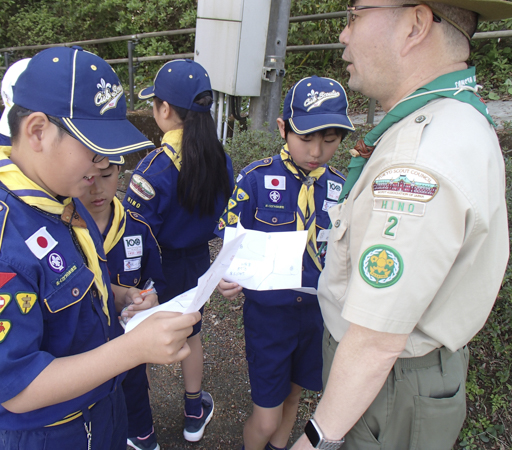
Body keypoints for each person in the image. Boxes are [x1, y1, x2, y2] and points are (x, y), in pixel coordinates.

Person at [0, 46, 200, 450]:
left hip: (103, 409)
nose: (103, 163)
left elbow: (63, 290)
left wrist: (119, 296)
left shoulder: (63, 200)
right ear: (38, 131)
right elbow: (16, 388)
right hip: (52, 434)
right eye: (93, 147)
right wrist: (131, 349)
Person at [291, 1, 511, 449]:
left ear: (414, 25)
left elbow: (375, 342)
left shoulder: (417, 159)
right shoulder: (455, 117)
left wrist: (315, 441)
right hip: (397, 379)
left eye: (355, 15)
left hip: (384, 389)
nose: (343, 35)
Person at [216, 76, 354, 450]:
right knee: (266, 417)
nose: (316, 151)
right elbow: (231, 238)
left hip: (317, 316)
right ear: (283, 128)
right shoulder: (257, 179)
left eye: (329, 139)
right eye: (306, 137)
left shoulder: (344, 189)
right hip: (269, 318)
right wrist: (226, 276)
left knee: (293, 398)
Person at [123, 59, 234, 443]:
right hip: (198, 266)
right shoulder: (219, 158)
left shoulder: (154, 169)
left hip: (155, 271)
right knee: (191, 334)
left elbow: (134, 233)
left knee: (139, 343)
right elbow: (223, 214)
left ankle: (142, 428)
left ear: (164, 109)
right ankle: (192, 412)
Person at [78, 158, 166, 450]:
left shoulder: (138, 229)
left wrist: (150, 298)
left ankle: (142, 436)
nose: (97, 188)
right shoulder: (65, 231)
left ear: (120, 172)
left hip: (130, 346)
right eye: (87, 178)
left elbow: (155, 282)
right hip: (82, 352)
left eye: (106, 175)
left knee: (135, 393)